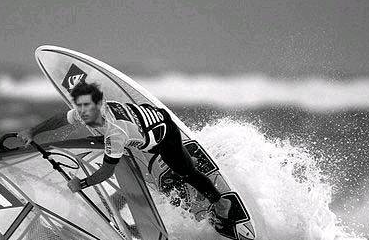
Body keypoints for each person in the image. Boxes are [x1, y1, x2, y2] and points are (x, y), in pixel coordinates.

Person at [17, 81, 232, 220]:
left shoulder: (115, 134)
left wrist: (81, 184)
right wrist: (33, 131)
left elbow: (106, 171)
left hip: (163, 135)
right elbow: (60, 119)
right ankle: (188, 159)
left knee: (185, 172)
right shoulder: (88, 110)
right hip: (144, 117)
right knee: (104, 141)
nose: (81, 114)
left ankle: (221, 203)